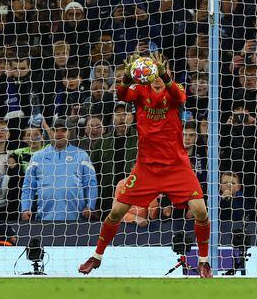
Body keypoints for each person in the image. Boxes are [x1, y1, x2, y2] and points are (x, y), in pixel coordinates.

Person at [79, 53, 212, 278]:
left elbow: (180, 97)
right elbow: (121, 94)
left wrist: (164, 74)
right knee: (116, 212)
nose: (157, 76)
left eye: (161, 71)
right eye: (153, 72)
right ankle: (97, 256)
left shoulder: (175, 88)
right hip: (146, 168)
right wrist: (129, 76)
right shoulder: (140, 92)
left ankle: (204, 261)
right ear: (147, 74)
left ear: (165, 71)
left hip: (176, 166)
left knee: (200, 211)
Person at [21, 118, 98, 221]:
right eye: (55, 130)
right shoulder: (37, 157)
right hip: (44, 220)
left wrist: (90, 206)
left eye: (63, 130)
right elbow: (28, 186)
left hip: (76, 219)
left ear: (69, 133)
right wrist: (26, 208)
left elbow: (91, 184)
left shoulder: (82, 155)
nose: (59, 133)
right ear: (50, 133)